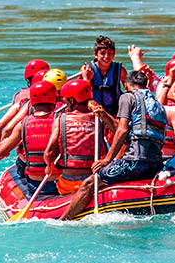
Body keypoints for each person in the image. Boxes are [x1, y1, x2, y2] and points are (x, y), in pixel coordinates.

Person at [59, 70, 167, 220]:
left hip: (134, 162)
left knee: (90, 182)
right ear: (146, 84)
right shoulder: (158, 105)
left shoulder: (127, 97)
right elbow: (124, 131)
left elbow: (122, 130)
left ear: (126, 85)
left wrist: (106, 160)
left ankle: (64, 221)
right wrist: (103, 115)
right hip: (155, 164)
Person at [0, 80, 59, 198]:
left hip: (34, 184)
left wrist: (4, 143)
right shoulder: (61, 121)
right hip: (58, 182)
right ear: (54, 99)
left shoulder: (23, 124)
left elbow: (1, 153)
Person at [44, 79, 102, 195]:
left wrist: (49, 167)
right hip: (93, 180)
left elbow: (48, 153)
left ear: (71, 100)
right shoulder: (100, 118)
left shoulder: (60, 119)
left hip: (68, 183)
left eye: (66, 101)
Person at [0, 59, 50, 149]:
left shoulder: (19, 97)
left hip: (25, 150)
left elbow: (0, 128)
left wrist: (0, 149)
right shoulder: (60, 98)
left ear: (27, 78)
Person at [80, 35, 127, 116]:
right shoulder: (87, 70)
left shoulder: (120, 71)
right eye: (102, 53)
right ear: (95, 54)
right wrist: (86, 79)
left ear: (114, 54)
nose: (106, 57)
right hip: (93, 113)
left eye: (110, 53)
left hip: (115, 113)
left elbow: (129, 91)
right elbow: (80, 94)